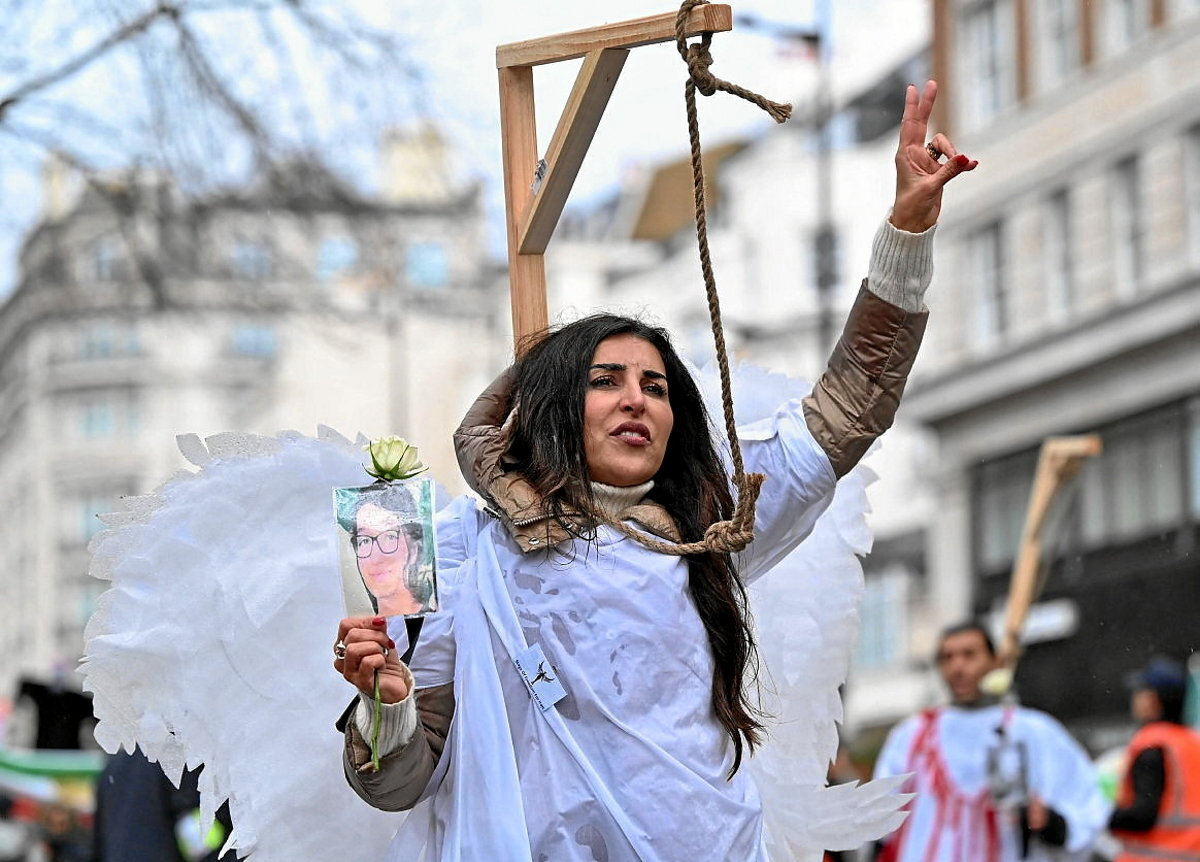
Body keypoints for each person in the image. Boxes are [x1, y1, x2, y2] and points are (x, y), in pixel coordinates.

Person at [331, 80, 978, 860]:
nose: (636, 399)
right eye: (604, 380)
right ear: (549, 411)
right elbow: (398, 782)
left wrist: (906, 233)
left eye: (657, 386)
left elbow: (852, 407)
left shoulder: (713, 528)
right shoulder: (456, 552)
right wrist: (387, 707)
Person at [872, 622, 1109, 862]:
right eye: (947, 657)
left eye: (969, 654)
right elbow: (877, 818)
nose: (957, 666)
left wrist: (1049, 821)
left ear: (995, 661)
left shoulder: (1035, 731)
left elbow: (1085, 808)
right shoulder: (911, 735)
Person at [1108, 655, 1200, 861]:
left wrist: (1107, 815)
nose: (1134, 698)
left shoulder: (1153, 745)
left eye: (1140, 691)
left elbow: (1143, 815)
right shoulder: (1192, 743)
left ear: (1153, 700)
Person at [335, 483, 434, 618]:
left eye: (389, 536)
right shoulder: (355, 632)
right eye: (364, 540)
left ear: (415, 548)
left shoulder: (443, 624)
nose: (375, 558)